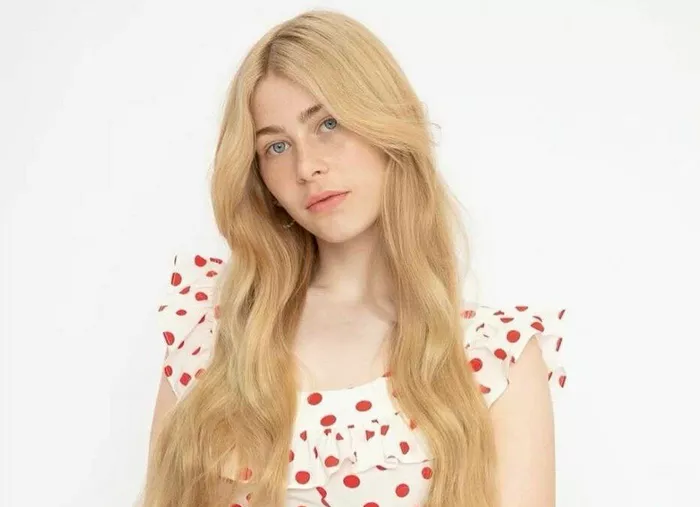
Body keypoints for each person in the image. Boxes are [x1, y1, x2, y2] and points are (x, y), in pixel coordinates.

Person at [139, 8, 567, 507]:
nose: (306, 166)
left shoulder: (496, 359)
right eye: (276, 146)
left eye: (328, 123)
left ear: (386, 124)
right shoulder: (212, 332)